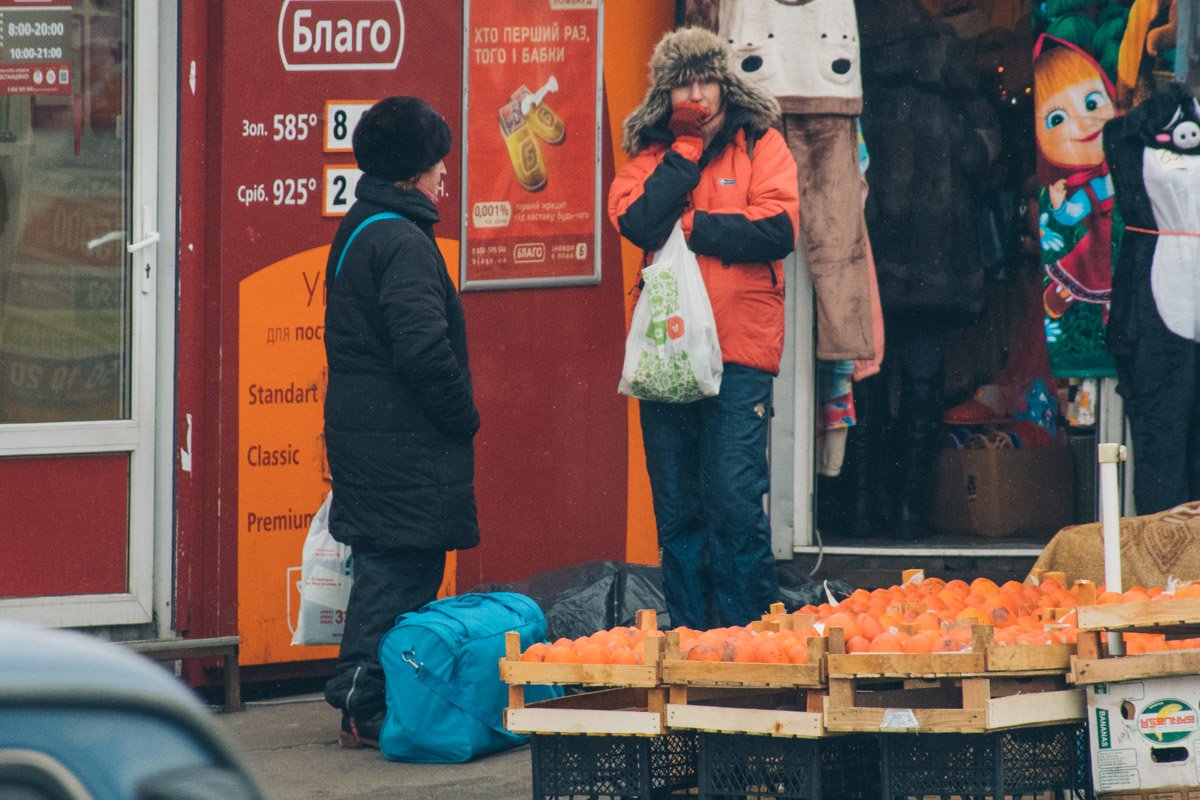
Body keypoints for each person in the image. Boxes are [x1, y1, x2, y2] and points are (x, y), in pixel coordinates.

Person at [608, 27, 799, 630]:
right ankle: (695, 642)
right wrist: (684, 152)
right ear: (664, 96)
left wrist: (695, 229)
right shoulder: (647, 159)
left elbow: (777, 231)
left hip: (740, 353)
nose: (697, 94)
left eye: (706, 79)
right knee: (679, 513)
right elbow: (639, 222)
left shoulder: (763, 144)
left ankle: (756, 645)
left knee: (735, 505)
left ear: (725, 82)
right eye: (682, 83)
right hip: (669, 359)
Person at [322, 96, 480, 748]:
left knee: (391, 566)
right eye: (437, 159)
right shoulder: (401, 240)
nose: (446, 171)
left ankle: (372, 698)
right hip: (401, 440)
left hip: (372, 435)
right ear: (415, 169)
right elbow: (421, 348)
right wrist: (462, 416)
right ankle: (364, 699)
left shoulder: (364, 225)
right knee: (399, 574)